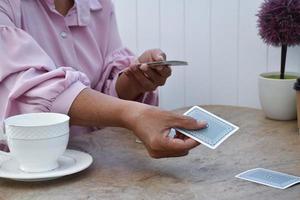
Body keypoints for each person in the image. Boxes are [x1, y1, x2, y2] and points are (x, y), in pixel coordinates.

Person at [0, 0, 205, 158]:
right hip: (19, 175)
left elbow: (102, 90)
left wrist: (132, 81)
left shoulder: (98, 4)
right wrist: (132, 114)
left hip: (93, 169)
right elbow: (27, 88)